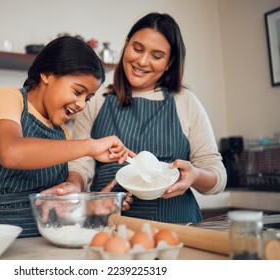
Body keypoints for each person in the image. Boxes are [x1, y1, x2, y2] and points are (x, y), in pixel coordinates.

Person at [58, 12, 227, 224]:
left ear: (169, 62)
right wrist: (74, 184)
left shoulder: (186, 102)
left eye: (156, 56)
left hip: (180, 227)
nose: (142, 61)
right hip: (111, 226)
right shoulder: (97, 99)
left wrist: (195, 176)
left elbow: (217, 175)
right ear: (126, 44)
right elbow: (80, 163)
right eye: (137, 49)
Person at [0, 36, 131, 237]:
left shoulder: (62, 133)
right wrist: (91, 146)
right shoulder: (10, 98)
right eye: (77, 91)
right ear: (47, 74)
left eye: (87, 99)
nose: (81, 104)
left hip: (46, 241)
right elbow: (11, 152)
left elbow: (61, 202)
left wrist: (91, 201)